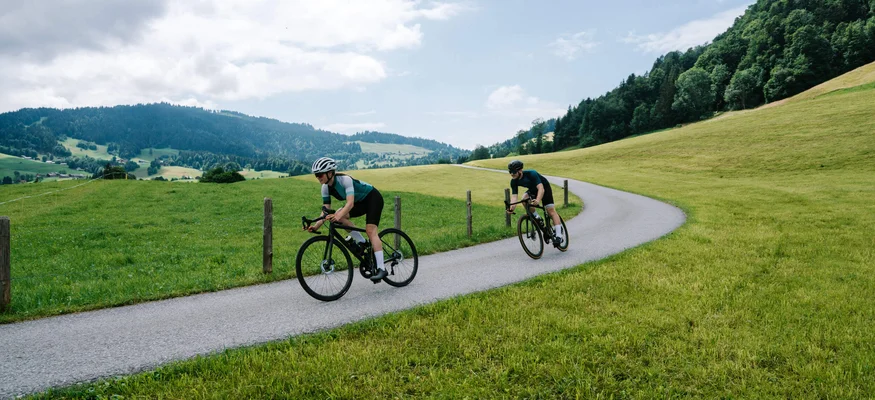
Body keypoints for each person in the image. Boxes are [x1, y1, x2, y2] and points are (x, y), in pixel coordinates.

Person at [305, 157, 387, 281]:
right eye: (316, 175)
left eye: (320, 174)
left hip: (372, 198)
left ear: (330, 173)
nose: (318, 177)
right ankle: (363, 243)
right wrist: (316, 226)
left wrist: (337, 215)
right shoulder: (325, 188)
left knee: (370, 231)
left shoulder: (345, 180)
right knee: (338, 216)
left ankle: (382, 269)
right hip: (360, 203)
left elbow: (350, 204)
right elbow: (325, 211)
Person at [505, 160, 564, 245]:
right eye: (510, 171)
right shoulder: (513, 181)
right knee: (524, 199)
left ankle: (559, 236)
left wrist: (537, 200)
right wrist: (511, 208)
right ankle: (537, 217)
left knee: (550, 210)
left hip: (544, 188)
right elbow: (514, 197)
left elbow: (541, 189)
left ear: (520, 170)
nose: (512, 174)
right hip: (533, 190)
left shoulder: (531, 173)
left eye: (513, 171)